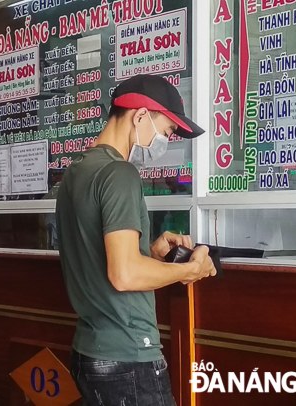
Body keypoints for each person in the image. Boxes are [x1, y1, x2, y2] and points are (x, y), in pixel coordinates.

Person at [55, 75, 217, 406]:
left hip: (89, 352)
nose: (166, 142)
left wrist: (151, 253)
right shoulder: (120, 174)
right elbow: (124, 274)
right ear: (140, 116)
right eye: (167, 132)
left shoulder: (76, 172)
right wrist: (189, 271)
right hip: (128, 357)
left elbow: (100, 258)